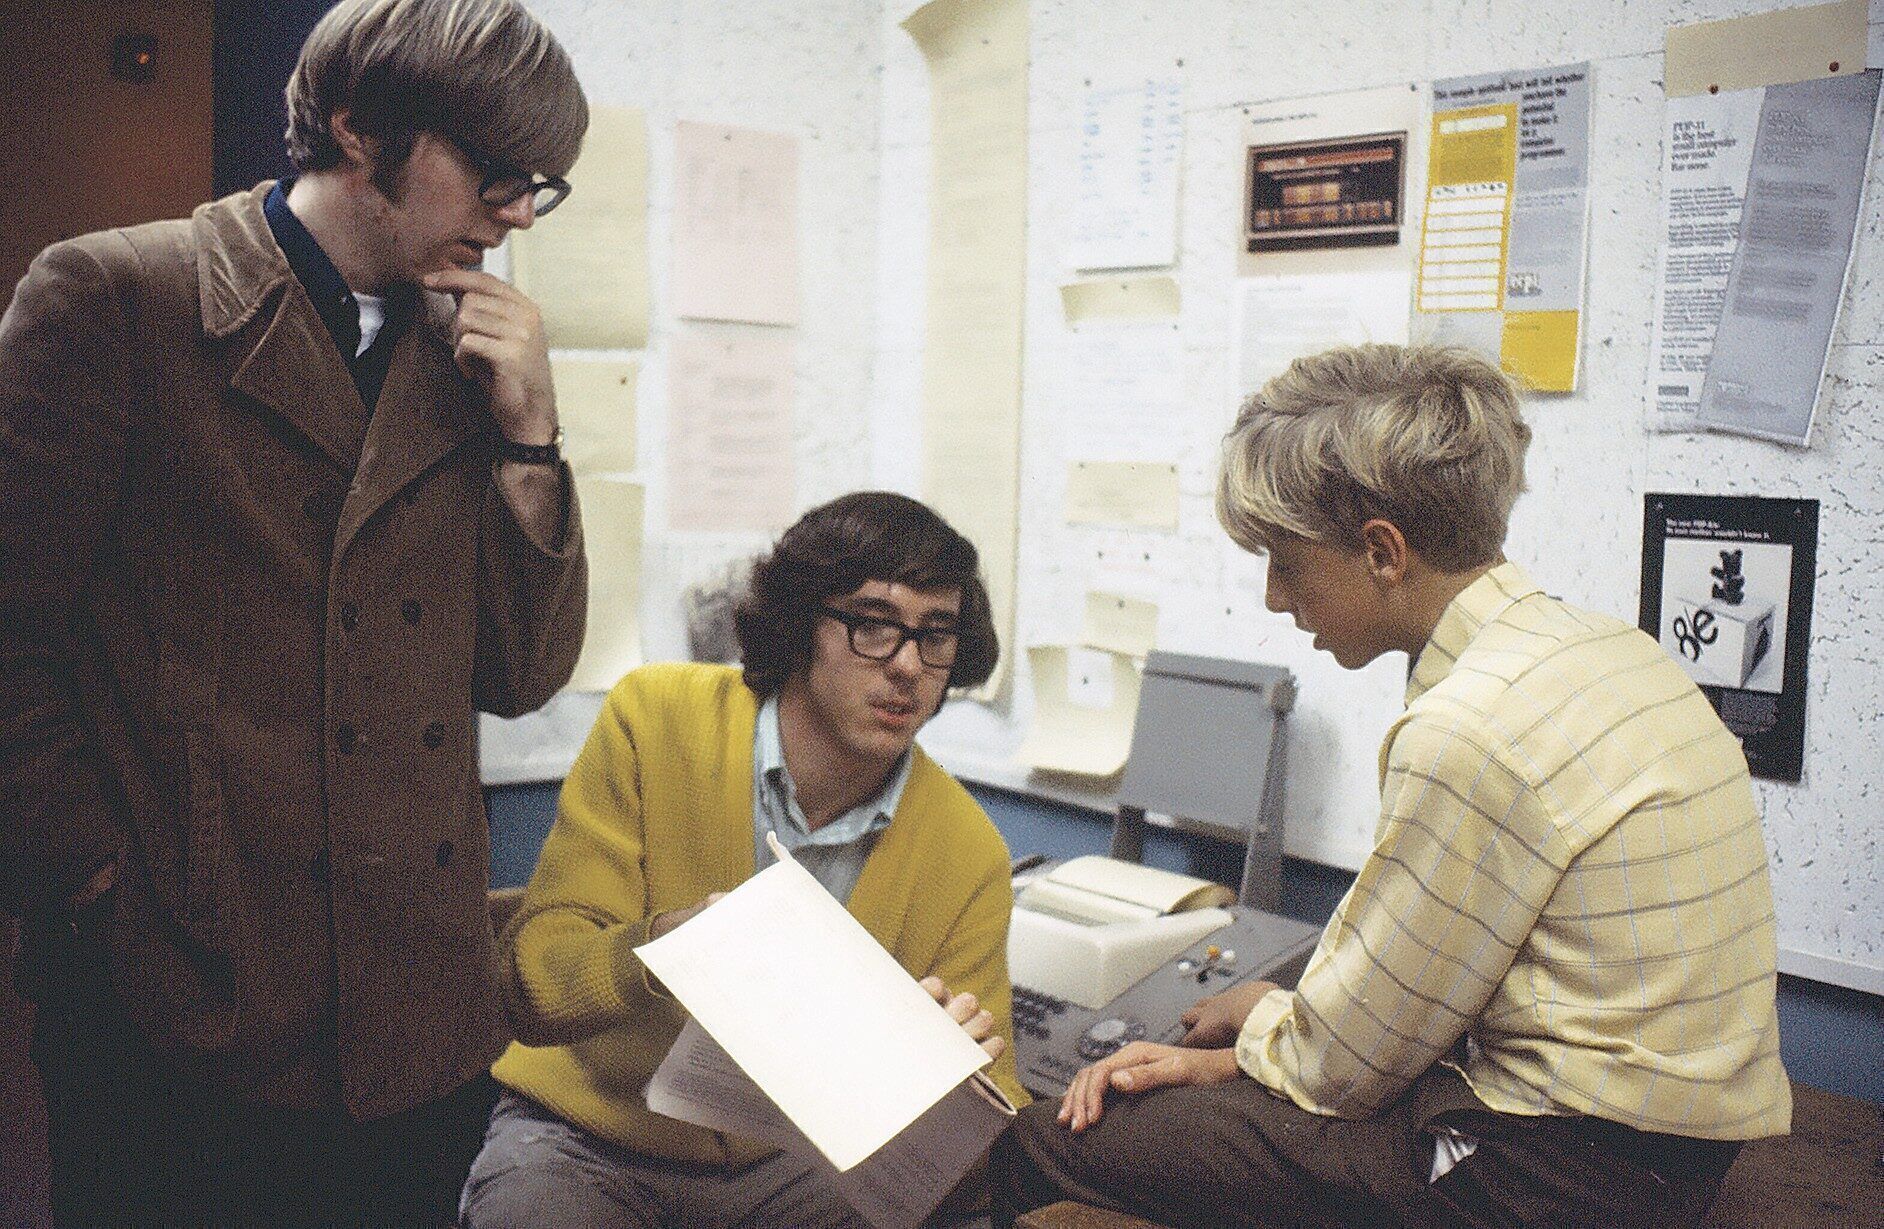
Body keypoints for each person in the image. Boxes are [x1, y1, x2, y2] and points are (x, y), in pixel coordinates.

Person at [0, 1, 590, 1221]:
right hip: (185, 1002)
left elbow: (522, 673)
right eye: (496, 170)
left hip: (419, 1024)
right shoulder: (117, 296)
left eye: (545, 184)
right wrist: (103, 887)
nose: (520, 211)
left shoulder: (469, 349)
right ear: (359, 128)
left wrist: (533, 435)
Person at [992, 344, 1791, 1229]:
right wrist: (1278, 1024)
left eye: (1284, 561)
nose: (1272, 597)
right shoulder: (1606, 651)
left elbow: (1343, 1068)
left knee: (1057, 1140)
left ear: (1382, 551)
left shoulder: (1470, 727)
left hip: (1555, 1174)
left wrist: (1257, 1032)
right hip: (1672, 1150)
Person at [462, 491, 1029, 1228]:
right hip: (588, 1138)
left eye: (936, 635)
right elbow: (533, 980)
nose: (908, 667)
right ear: (801, 623)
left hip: (796, 1169)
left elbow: (994, 1129)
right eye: (872, 624)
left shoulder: (969, 848)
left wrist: (943, 1079)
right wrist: (661, 946)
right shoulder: (656, 716)